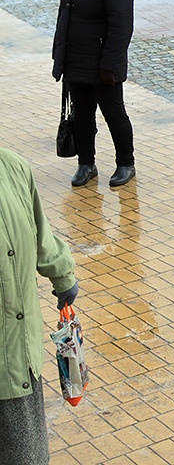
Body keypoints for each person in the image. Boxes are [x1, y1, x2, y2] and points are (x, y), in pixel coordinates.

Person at [0, 147, 79, 465]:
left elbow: (39, 233)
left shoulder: (12, 168)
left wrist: (63, 274)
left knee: (25, 456)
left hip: (15, 357)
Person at [52, 0, 136, 188]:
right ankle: (86, 164)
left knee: (114, 113)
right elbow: (65, 15)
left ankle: (126, 163)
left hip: (102, 62)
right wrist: (60, 54)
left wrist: (110, 64)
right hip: (75, 57)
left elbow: (121, 25)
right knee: (82, 113)